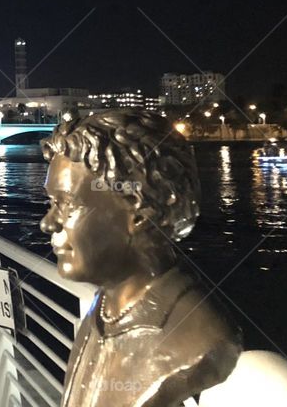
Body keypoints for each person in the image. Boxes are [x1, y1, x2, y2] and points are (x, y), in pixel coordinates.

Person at [39, 109, 240, 406]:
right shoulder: (102, 310)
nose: (47, 223)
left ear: (138, 211)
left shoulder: (198, 337)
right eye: (51, 203)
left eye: (66, 205)